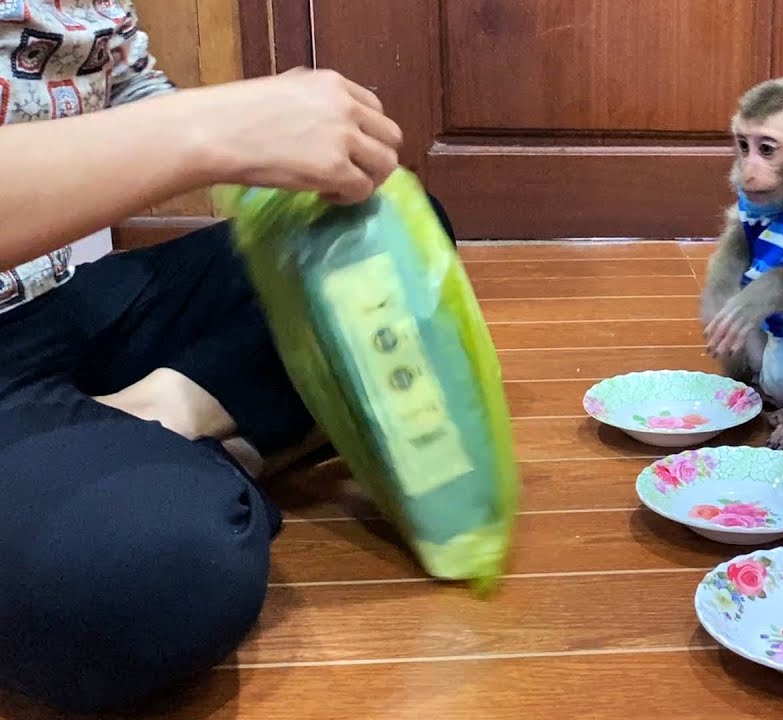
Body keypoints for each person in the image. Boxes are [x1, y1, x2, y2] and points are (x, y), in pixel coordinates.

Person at [0, 2, 453, 713]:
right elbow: (173, 136)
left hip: (53, 300)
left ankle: (161, 410)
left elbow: (130, 98)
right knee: (152, 576)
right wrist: (212, 129)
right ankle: (207, 443)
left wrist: (274, 172)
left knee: (389, 243)